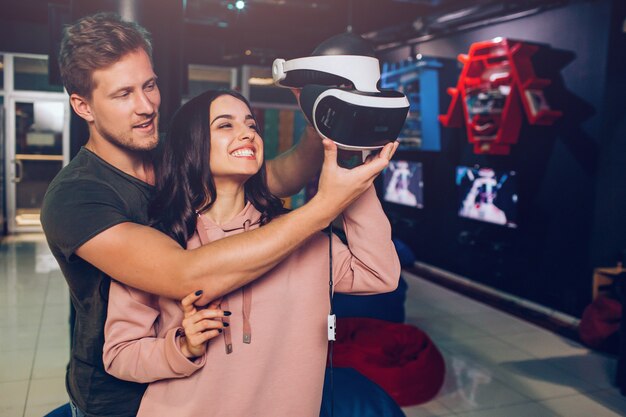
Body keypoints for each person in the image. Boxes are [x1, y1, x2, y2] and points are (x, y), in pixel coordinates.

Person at [40, 12, 397, 417]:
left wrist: (324, 123)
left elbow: (278, 176)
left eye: (150, 85)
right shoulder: (76, 196)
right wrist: (322, 209)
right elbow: (184, 275)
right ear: (82, 106)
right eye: (123, 94)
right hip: (116, 399)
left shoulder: (175, 159)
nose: (146, 106)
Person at [102, 89, 401, 417]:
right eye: (225, 125)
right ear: (192, 145)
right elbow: (120, 356)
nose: (247, 133)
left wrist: (357, 183)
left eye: (251, 125)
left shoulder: (302, 236)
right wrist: (183, 347)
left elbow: (379, 274)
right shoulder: (159, 243)